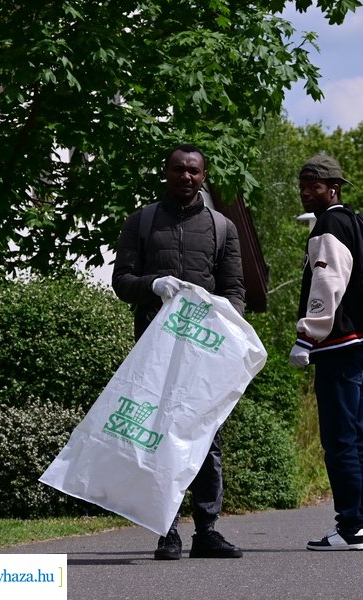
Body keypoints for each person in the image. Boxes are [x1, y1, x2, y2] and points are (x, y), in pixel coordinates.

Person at [111, 143, 245, 561]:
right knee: (156, 437)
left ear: (204, 176)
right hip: (154, 351)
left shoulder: (223, 228)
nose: (186, 177)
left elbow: (235, 291)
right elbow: (121, 280)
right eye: (179, 170)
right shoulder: (142, 221)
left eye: (194, 171)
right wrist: (152, 284)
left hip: (204, 352)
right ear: (166, 173)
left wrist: (228, 328)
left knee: (206, 438)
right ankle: (166, 531)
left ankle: (207, 531)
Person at [289, 154, 363, 551]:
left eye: (315, 186)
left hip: (339, 347)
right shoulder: (356, 224)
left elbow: (327, 285)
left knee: (340, 440)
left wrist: (306, 337)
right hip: (361, 343)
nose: (307, 192)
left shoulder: (330, 224)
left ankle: (350, 526)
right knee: (355, 439)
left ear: (334, 189)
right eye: (303, 186)